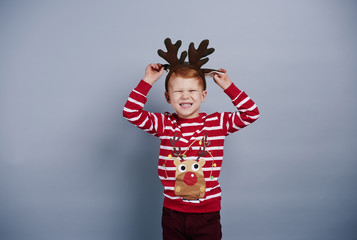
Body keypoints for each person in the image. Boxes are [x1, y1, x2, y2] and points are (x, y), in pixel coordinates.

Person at [123, 39, 259, 240]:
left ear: (203, 95)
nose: (185, 96)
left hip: (207, 214)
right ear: (168, 98)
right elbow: (131, 112)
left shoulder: (217, 123)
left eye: (192, 91)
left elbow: (251, 113)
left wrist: (228, 86)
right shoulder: (164, 124)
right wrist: (148, 80)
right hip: (172, 213)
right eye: (178, 91)